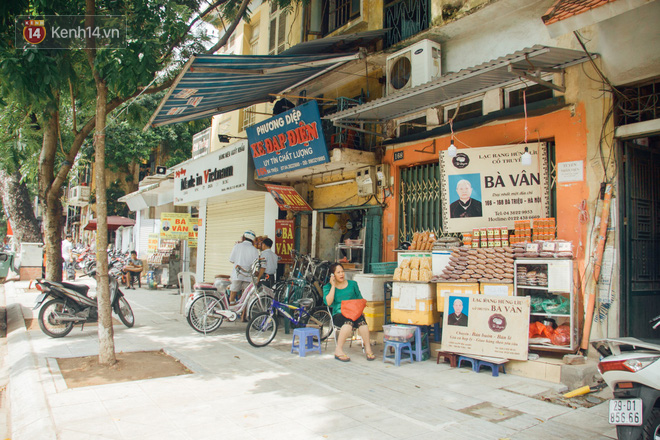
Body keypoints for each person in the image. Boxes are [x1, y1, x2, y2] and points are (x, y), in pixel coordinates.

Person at [323, 262, 376, 362]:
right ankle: (338, 350)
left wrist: (360, 310)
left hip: (354, 312)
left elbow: (360, 299)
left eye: (342, 271)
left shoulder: (353, 284)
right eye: (338, 272)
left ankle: (368, 349)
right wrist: (333, 286)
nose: (341, 274)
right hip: (339, 314)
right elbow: (328, 303)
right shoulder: (327, 287)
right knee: (348, 322)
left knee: (362, 323)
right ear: (333, 275)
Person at [228, 230, 259, 304]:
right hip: (248, 275)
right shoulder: (254, 250)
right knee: (245, 297)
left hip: (237, 274)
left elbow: (231, 260)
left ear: (244, 237)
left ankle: (231, 308)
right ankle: (243, 310)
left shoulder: (237, 246)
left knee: (233, 294)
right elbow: (256, 264)